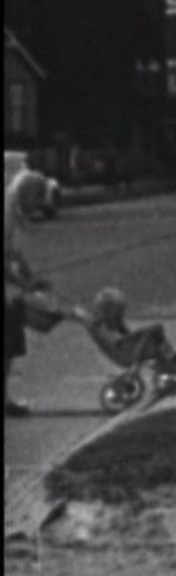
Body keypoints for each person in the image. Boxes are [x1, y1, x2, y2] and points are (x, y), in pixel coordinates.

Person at [5, 176, 46, 416]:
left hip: (10, 291)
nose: (39, 205)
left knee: (9, 348)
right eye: (37, 197)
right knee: (7, 344)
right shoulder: (7, 214)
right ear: (26, 193)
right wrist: (25, 283)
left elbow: (15, 253)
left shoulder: (16, 212)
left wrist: (31, 277)